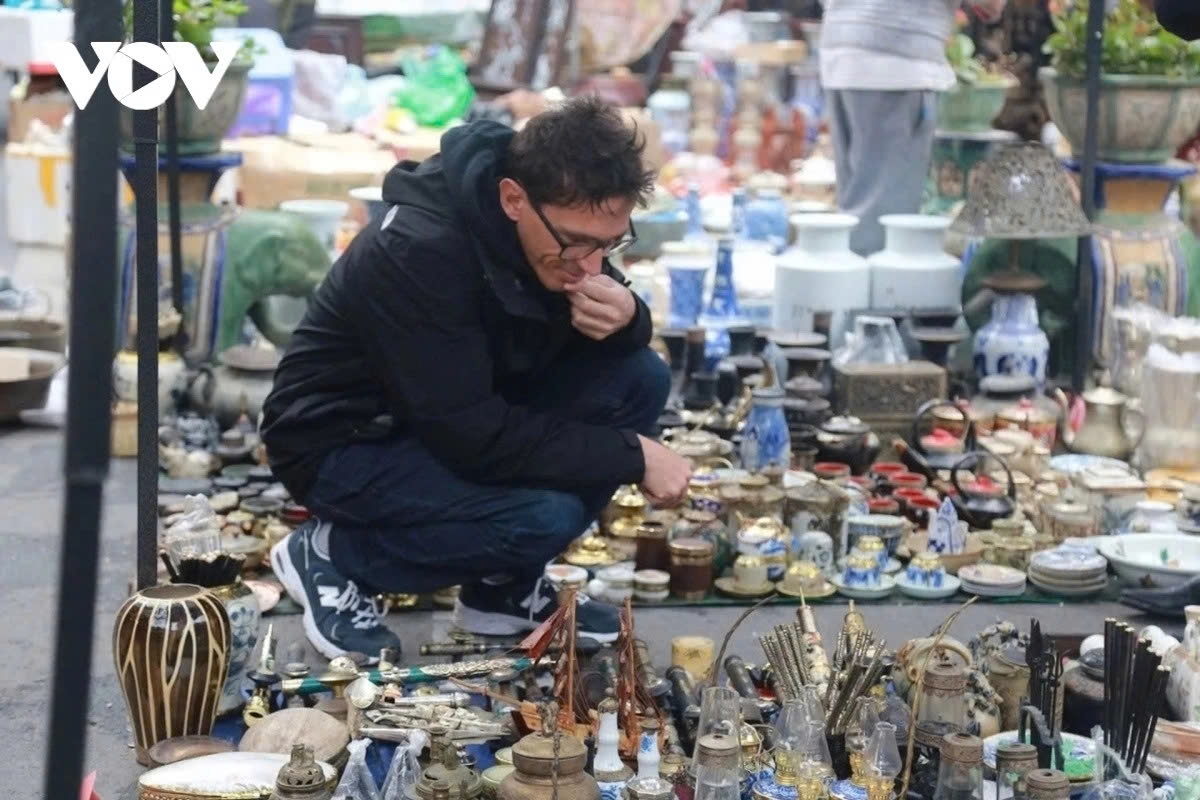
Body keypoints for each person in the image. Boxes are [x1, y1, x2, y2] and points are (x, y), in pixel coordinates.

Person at [260, 97, 693, 662]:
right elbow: (475, 438)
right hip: (341, 443)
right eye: (577, 243)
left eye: (610, 243)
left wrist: (631, 318)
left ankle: (502, 591)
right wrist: (631, 456)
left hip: (453, 413)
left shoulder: (560, 229)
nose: (591, 265)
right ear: (514, 199)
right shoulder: (417, 249)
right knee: (541, 517)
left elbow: (592, 333)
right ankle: (335, 556)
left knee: (639, 377)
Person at [820, 0, 1008, 256]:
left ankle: (847, 290)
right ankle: (868, 295)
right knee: (882, 230)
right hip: (895, 57)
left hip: (842, 46)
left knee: (856, 212)